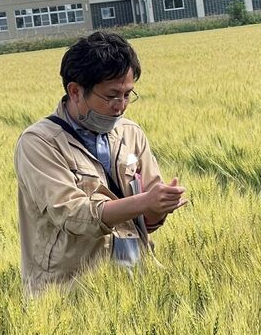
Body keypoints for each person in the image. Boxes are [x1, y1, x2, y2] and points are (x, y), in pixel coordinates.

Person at [14, 32, 186, 297]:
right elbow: (72, 214)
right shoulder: (39, 143)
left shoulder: (131, 133)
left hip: (134, 284)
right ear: (75, 91)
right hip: (68, 294)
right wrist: (144, 202)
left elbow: (147, 220)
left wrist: (161, 207)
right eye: (112, 96)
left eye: (128, 94)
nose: (121, 107)